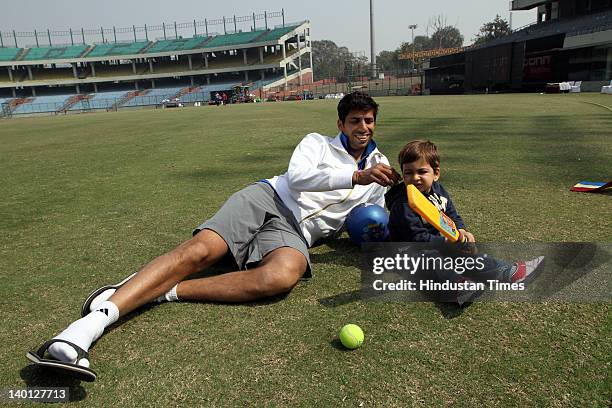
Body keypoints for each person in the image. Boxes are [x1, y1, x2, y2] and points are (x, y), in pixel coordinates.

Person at [27, 92, 401, 380]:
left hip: (295, 232)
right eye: (355, 120)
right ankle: (80, 331)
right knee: (201, 252)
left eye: (369, 121)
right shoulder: (316, 143)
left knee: (281, 277)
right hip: (269, 197)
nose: (363, 127)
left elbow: (371, 221)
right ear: (340, 122)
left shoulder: (380, 169)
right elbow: (299, 178)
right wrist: (354, 176)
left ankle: (165, 291)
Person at [384, 140, 544, 304]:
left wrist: (462, 231)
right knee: (432, 260)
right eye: (408, 173)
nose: (415, 178)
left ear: (436, 173)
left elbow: (452, 214)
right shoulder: (403, 204)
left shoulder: (438, 191)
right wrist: (445, 243)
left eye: (422, 171)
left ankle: (507, 272)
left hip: (434, 243)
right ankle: (457, 287)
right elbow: (416, 239)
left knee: (465, 255)